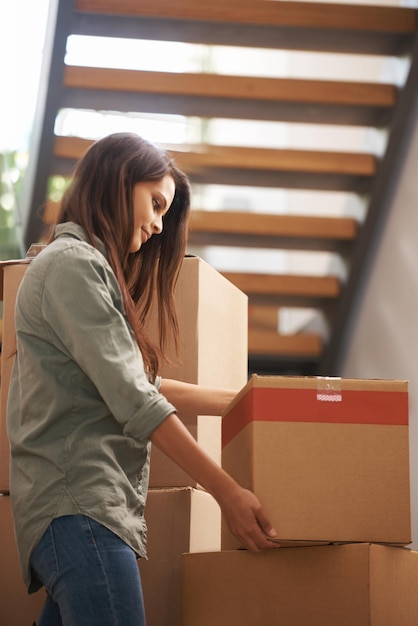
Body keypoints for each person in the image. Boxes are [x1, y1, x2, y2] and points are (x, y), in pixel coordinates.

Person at [6, 132, 278, 626]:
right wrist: (227, 492)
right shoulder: (73, 266)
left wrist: (248, 399)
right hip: (82, 509)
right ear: (118, 178)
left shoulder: (79, 268)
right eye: (155, 204)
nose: (157, 225)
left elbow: (140, 385)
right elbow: (136, 398)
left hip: (76, 512)